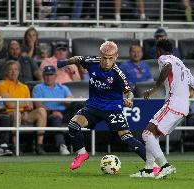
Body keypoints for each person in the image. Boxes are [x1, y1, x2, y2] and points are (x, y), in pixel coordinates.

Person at [130, 39, 194, 179]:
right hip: (183, 107)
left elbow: (167, 67)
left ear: (159, 50)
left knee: (146, 134)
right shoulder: (182, 65)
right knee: (152, 135)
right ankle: (148, 170)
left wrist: (154, 89)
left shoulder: (163, 58)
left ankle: (165, 166)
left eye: (156, 50)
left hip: (173, 104)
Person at [65, 41, 159, 172]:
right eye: (104, 58)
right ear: (100, 56)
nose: (107, 62)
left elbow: (129, 92)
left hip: (112, 108)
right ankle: (82, 153)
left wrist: (129, 100)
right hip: (94, 106)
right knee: (73, 125)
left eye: (111, 58)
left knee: (126, 136)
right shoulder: (92, 62)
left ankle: (153, 166)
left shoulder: (118, 73)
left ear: (116, 57)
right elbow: (78, 59)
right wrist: (63, 63)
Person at [0, 60, 47, 155]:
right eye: (10, 70)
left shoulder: (24, 87)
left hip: (25, 113)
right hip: (9, 113)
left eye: (15, 69)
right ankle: (16, 146)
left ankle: (39, 145)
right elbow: (9, 104)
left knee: (41, 111)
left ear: (18, 71)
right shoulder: (2, 85)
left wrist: (23, 107)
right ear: (6, 72)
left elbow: (30, 105)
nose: (13, 72)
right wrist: (24, 104)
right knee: (17, 114)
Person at [32, 65, 75, 155]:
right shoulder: (38, 88)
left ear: (55, 76)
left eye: (51, 74)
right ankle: (61, 145)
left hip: (64, 112)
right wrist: (52, 111)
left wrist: (69, 100)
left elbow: (70, 97)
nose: (48, 77)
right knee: (56, 118)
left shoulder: (62, 87)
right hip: (48, 114)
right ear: (43, 76)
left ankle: (82, 145)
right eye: (46, 75)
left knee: (78, 107)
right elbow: (38, 105)